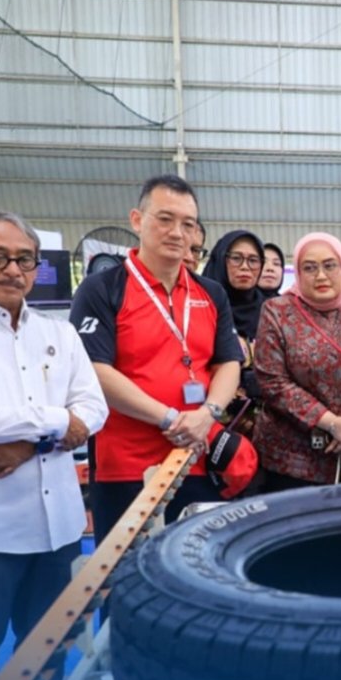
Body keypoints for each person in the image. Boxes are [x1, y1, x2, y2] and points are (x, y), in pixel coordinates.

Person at [0, 208, 108, 680]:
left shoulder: (58, 333)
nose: (13, 270)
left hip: (58, 531)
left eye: (24, 259)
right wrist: (53, 421)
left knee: (47, 658)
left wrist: (25, 443)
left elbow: (93, 409)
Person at [70, 175, 242, 539]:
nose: (177, 233)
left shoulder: (211, 293)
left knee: (198, 563)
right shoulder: (102, 288)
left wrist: (207, 413)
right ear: (137, 220)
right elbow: (95, 370)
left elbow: (229, 362)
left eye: (188, 224)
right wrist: (169, 418)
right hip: (126, 466)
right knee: (128, 567)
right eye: (165, 219)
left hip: (198, 458)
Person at [252, 232, 341, 490]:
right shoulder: (277, 311)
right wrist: (332, 423)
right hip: (296, 459)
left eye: (330, 265)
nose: (321, 275)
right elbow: (273, 382)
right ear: (298, 272)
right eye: (310, 268)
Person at [201, 230, 268, 435]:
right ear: (221, 260)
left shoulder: (270, 309)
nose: (245, 267)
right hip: (207, 422)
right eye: (236, 258)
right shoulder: (201, 305)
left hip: (264, 425)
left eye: (253, 260)